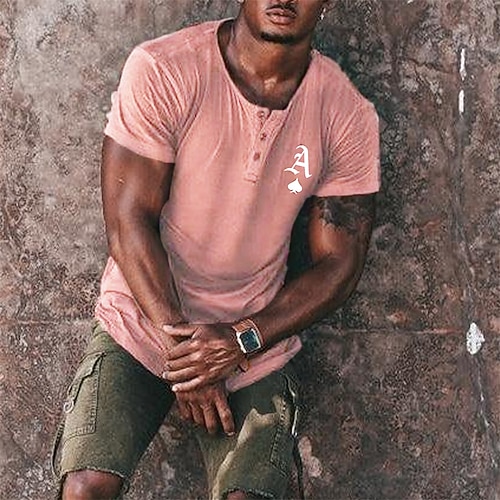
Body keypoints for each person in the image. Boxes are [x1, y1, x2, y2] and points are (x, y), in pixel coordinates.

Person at [52, 0, 380, 498]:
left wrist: (240, 340)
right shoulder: (164, 68)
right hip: (142, 323)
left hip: (252, 342)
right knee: (85, 486)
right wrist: (188, 357)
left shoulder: (346, 114)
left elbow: (340, 263)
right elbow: (127, 221)